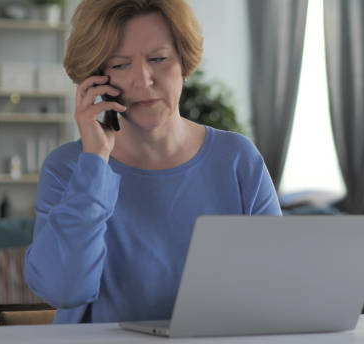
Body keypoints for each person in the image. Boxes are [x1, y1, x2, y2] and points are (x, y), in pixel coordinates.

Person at [24, 0, 281, 324]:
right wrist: (95, 162)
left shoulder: (237, 159)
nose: (143, 80)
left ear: (183, 63)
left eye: (158, 59)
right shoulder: (68, 167)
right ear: (97, 78)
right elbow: (63, 291)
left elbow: (276, 284)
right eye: (120, 65)